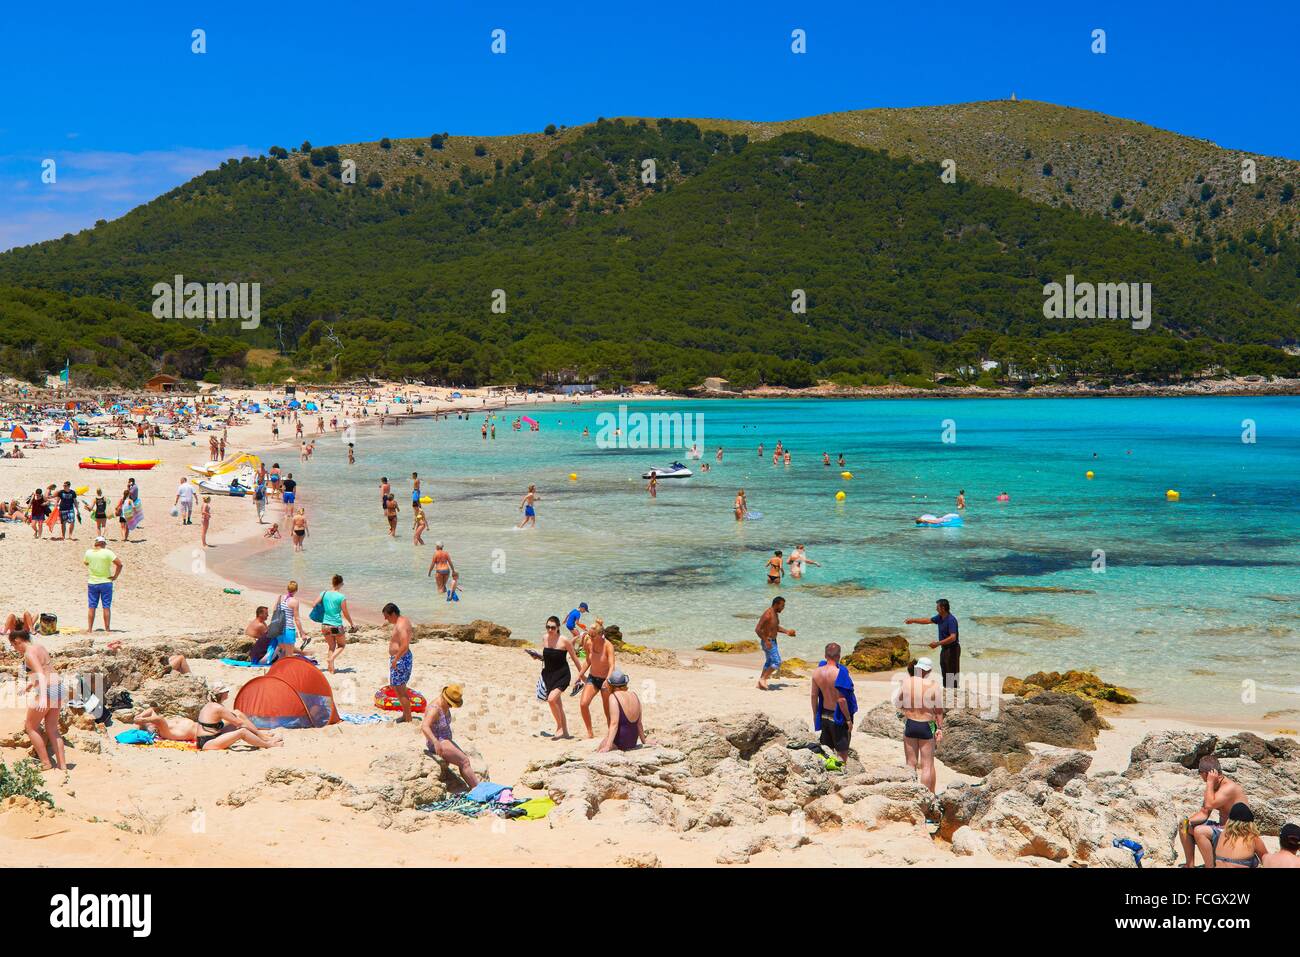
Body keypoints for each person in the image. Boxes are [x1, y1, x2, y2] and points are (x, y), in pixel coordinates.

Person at [7, 625, 67, 771]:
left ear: (17, 641)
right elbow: (47, 669)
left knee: (31, 726)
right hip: (58, 687)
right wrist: (30, 685)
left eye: (13, 646)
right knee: (52, 729)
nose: (15, 650)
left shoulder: (28, 653)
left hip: (46, 691)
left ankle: (46, 763)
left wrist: (41, 698)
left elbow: (40, 672)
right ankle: (62, 766)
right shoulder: (40, 647)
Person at [1182, 756, 1247, 867]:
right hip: (1221, 828)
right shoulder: (1214, 786)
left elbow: (1209, 804)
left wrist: (1209, 783)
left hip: (1234, 832)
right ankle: (1190, 864)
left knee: (1199, 831)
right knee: (1184, 825)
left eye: (1200, 773)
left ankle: (1210, 866)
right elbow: (1204, 812)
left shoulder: (1228, 787)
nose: (1200, 776)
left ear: (1206, 773)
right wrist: (1186, 821)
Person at [891, 657, 944, 793]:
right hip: (927, 725)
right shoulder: (934, 685)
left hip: (910, 724)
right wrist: (939, 728)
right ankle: (925, 797)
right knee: (927, 765)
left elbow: (898, 703)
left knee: (910, 764)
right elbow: (938, 711)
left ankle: (911, 794)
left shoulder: (907, 682)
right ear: (930, 670)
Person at [529, 615, 581, 739]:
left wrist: (581, 676)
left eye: (552, 627)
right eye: (548, 627)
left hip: (562, 675)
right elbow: (548, 657)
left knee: (552, 700)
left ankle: (559, 727)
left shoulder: (564, 641)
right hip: (549, 675)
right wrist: (538, 657)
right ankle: (566, 733)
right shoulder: (545, 638)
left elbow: (574, 658)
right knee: (558, 705)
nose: (550, 630)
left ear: (558, 628)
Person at [420, 685, 479, 788]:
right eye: (450, 704)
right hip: (439, 742)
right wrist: (435, 742)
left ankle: (474, 787)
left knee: (463, 762)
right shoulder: (435, 709)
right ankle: (478, 789)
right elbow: (425, 726)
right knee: (465, 762)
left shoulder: (444, 704)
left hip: (445, 740)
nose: (451, 706)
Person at [192, 684, 284, 750]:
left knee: (237, 713)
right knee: (242, 732)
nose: (228, 693)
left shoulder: (210, 704)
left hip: (211, 736)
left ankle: (263, 736)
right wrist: (257, 733)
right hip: (207, 742)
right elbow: (239, 723)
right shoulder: (218, 708)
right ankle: (267, 744)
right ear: (221, 694)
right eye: (226, 691)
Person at [811, 643, 856, 761]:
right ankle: (841, 774)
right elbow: (841, 700)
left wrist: (815, 715)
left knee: (827, 750)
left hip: (824, 714)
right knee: (842, 752)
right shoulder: (840, 673)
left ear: (825, 655)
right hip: (838, 716)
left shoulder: (816, 672)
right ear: (839, 656)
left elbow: (813, 696)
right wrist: (848, 719)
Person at [905, 598, 960, 690]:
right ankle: (947, 690)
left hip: (953, 649)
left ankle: (953, 692)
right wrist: (913, 620)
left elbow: (953, 637)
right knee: (944, 670)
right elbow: (927, 620)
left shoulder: (951, 620)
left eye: (937, 607)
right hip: (945, 649)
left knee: (952, 673)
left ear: (943, 608)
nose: (936, 609)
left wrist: (937, 643)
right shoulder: (940, 617)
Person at [576, 621, 616, 738]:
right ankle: (590, 733)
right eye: (589, 635)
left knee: (607, 709)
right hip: (593, 678)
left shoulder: (608, 646)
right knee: (583, 704)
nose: (590, 638)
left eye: (593, 636)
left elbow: (612, 665)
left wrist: (607, 680)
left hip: (606, 680)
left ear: (600, 634)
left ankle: (611, 733)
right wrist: (580, 675)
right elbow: (588, 661)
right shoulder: (588, 643)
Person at [1204, 803, 1266, 868]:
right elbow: (1266, 860)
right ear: (1250, 823)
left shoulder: (1223, 834)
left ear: (1230, 821)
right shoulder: (1252, 838)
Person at [381, 602, 415, 722]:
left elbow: (405, 645)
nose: (386, 619)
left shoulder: (401, 625)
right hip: (401, 658)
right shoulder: (403, 620)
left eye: (387, 616)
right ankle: (406, 715)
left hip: (400, 659)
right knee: (399, 688)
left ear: (393, 613)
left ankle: (408, 718)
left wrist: (395, 660)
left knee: (400, 689)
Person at [597, 670, 645, 752]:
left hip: (620, 741)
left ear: (610, 685)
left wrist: (608, 746)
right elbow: (639, 723)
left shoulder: (613, 697)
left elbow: (614, 724)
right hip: (632, 741)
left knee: (599, 749)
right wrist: (644, 741)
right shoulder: (634, 695)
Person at [318, 574, 355, 674]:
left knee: (331, 646)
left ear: (332, 583)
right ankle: (331, 659)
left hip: (324, 625)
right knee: (342, 645)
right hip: (336, 625)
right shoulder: (341, 597)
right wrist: (352, 623)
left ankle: (331, 670)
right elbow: (345, 612)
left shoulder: (324, 594)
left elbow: (314, 604)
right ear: (341, 584)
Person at [754, 596, 794, 690]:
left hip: (772, 641)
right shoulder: (768, 614)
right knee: (777, 662)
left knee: (769, 662)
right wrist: (766, 640)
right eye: (782, 606)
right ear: (776, 604)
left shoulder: (775, 613)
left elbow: (775, 627)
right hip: (768, 641)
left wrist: (787, 632)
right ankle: (763, 678)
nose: (783, 608)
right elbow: (757, 629)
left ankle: (760, 682)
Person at [84, 535, 122, 633]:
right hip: (106, 582)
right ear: (103, 543)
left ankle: (90, 629)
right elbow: (119, 564)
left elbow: (86, 563)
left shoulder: (89, 552)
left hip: (92, 582)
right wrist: (115, 576)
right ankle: (107, 629)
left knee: (92, 606)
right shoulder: (107, 552)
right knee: (106, 606)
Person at [271, 581, 304, 660]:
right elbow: (297, 619)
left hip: (279, 629)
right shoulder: (294, 602)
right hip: (288, 629)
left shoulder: (281, 597)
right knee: (289, 655)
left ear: (287, 588)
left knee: (283, 652)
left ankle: (280, 669)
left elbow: (274, 610)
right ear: (296, 590)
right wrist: (302, 632)